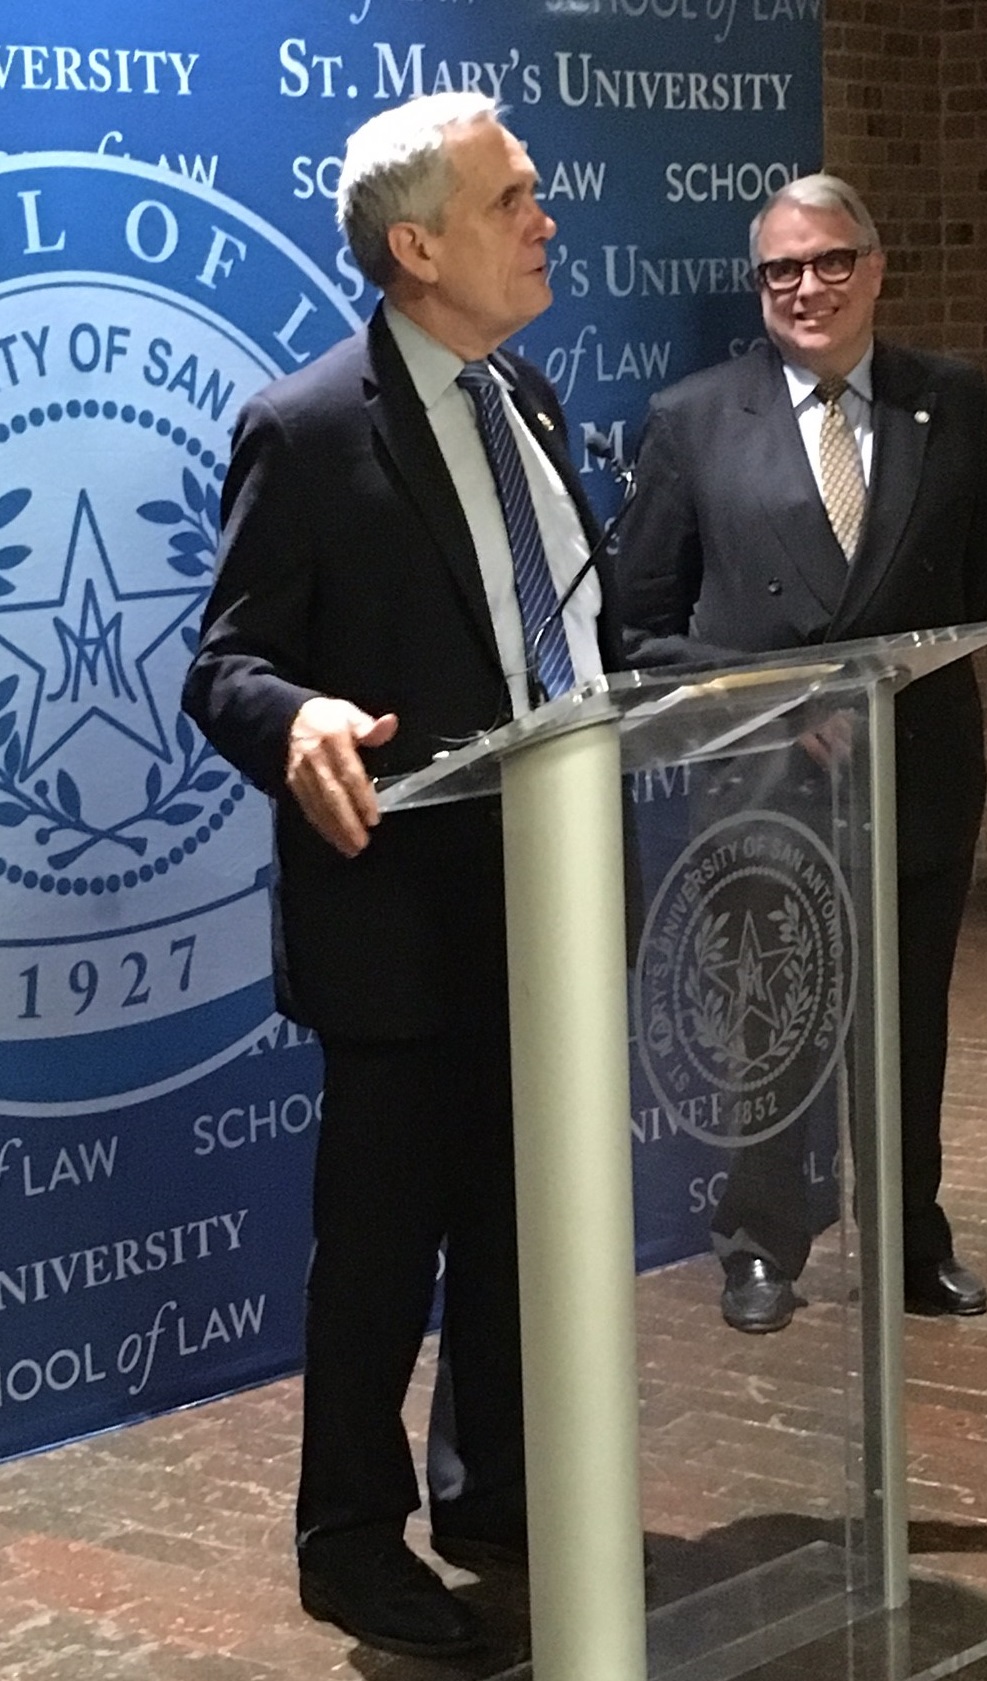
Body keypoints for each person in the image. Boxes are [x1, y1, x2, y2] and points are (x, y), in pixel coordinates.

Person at [182, 92, 621, 1658]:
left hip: (552, 910)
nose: (544, 219)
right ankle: (349, 1542)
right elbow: (224, 660)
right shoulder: (304, 431)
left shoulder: (537, 406)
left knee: (524, 1223)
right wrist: (295, 712)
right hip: (400, 922)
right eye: (514, 200)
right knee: (381, 1253)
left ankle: (495, 1491)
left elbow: (569, 642)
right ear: (417, 244)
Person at [617, 173, 987, 1335]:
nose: (808, 288)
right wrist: (786, 698)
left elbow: (983, 588)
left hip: (920, 777)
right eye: (782, 271)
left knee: (908, 1027)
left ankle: (908, 1239)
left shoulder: (956, 401)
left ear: (876, 268)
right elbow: (639, 624)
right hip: (765, 788)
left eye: (832, 261)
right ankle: (758, 1242)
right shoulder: (693, 418)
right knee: (766, 1033)